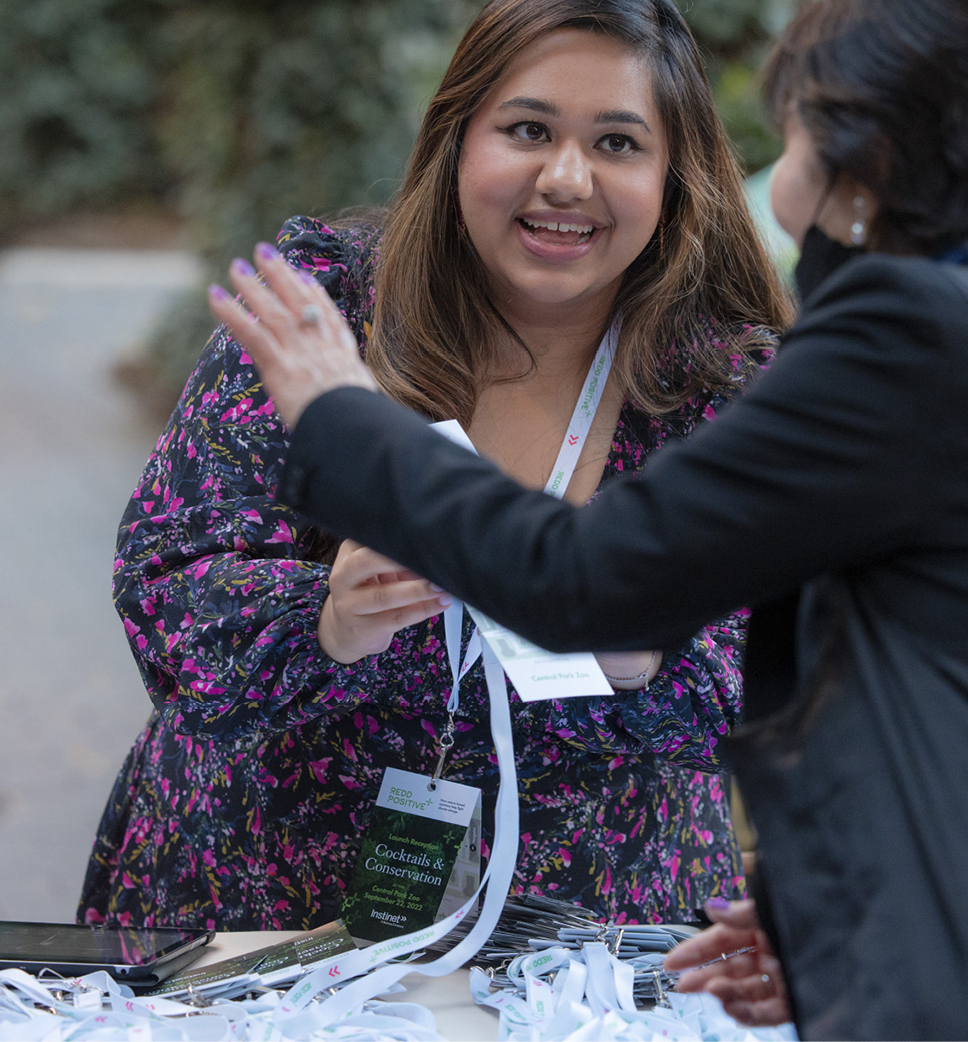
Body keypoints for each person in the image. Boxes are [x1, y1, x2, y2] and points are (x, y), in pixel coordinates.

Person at [209, 0, 968, 1036]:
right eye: (527, 129)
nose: (567, 175)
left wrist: (337, 411)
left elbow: (583, 581)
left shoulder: (911, 333)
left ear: (863, 156)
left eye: (789, 128)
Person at [79, 0, 791, 931]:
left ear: (674, 175)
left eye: (618, 143)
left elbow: (799, 676)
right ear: (457, 137)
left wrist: (644, 653)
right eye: (527, 129)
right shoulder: (324, 315)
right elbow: (166, 597)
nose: (566, 178)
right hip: (258, 912)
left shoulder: (729, 388)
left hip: (583, 950)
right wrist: (327, 621)